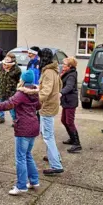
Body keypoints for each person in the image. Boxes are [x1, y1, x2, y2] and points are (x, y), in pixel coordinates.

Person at [0, 70, 41, 195]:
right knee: (28, 155)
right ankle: (34, 181)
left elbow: (8, 104)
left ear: (23, 80)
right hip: (34, 126)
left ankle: (21, 186)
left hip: (24, 128)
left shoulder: (21, 93)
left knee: (20, 157)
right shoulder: (36, 92)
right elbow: (38, 107)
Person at [38, 48, 64, 176]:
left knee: (47, 136)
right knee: (47, 133)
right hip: (51, 105)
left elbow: (46, 91)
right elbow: (60, 85)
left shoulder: (48, 71)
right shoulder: (54, 70)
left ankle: (56, 165)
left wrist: (36, 101)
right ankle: (54, 156)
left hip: (47, 107)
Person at [0, 53, 21, 124]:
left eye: (8, 58)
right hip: (0, 90)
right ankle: (1, 117)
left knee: (11, 107)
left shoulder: (16, 69)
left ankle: (15, 120)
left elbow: (17, 78)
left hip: (10, 92)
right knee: (0, 105)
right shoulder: (1, 65)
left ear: (13, 60)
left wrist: (8, 70)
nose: (6, 59)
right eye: (6, 58)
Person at [60, 57, 81, 153]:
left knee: (69, 121)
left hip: (70, 101)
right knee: (64, 120)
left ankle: (77, 143)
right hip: (66, 100)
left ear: (70, 66)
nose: (62, 65)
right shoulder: (67, 73)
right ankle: (72, 138)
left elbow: (69, 86)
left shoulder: (71, 75)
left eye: (64, 64)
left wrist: (61, 93)